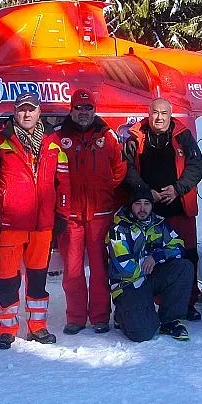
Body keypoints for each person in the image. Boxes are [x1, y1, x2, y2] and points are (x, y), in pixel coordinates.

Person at [0, 92, 70, 349]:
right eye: (22, 110)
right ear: (14, 112)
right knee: (7, 280)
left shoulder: (54, 142)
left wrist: (62, 213)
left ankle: (38, 327)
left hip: (42, 225)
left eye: (31, 109)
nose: (27, 114)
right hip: (10, 224)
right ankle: (7, 328)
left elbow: (64, 183)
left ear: (40, 112)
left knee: (38, 278)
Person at [123, 98, 202, 320]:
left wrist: (178, 188)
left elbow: (196, 166)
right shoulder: (135, 138)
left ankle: (188, 302)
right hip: (147, 212)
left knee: (187, 256)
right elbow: (127, 169)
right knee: (147, 256)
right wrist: (146, 192)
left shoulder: (183, 135)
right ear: (148, 114)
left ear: (170, 115)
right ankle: (148, 300)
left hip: (180, 208)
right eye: (155, 113)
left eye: (164, 113)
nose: (159, 118)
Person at [57, 88, 128, 335]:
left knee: (100, 269)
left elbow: (119, 170)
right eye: (79, 108)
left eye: (88, 108)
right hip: (71, 216)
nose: (84, 113)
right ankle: (75, 317)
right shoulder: (58, 138)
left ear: (94, 110)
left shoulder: (107, 137)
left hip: (100, 215)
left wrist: (105, 191)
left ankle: (100, 316)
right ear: (72, 110)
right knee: (73, 269)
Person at [106, 187, 193, 342]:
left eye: (147, 203)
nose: (142, 208)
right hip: (128, 285)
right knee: (143, 334)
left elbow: (179, 246)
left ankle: (170, 320)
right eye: (137, 203)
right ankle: (123, 314)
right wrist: (146, 263)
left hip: (150, 277)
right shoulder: (118, 229)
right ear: (131, 206)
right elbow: (124, 266)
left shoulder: (159, 223)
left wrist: (157, 256)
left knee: (184, 267)